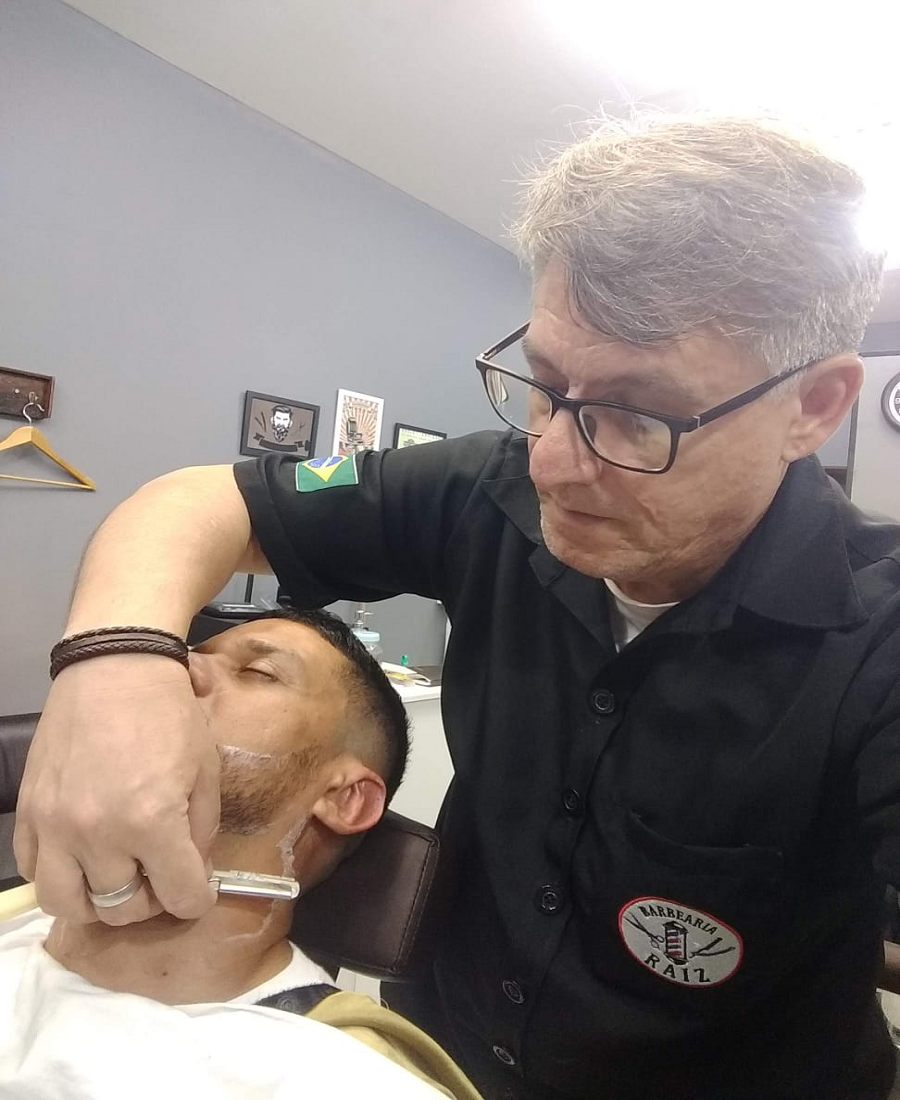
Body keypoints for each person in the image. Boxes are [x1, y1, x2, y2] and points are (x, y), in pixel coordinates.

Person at [13, 113, 900, 1099]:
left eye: (634, 416)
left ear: (814, 407)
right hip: (444, 1057)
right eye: (545, 385)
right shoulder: (487, 486)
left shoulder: (877, 638)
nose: (553, 462)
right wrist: (114, 668)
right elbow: (200, 500)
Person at [1, 610, 479, 1100]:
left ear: (346, 798)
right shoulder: (19, 919)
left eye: (257, 672)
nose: (177, 666)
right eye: (189, 651)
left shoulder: (344, 1079)